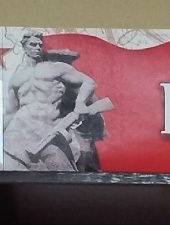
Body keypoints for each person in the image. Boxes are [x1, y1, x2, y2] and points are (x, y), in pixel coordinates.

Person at [4, 30, 104, 172]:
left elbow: (89, 82)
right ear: (24, 47)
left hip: (48, 131)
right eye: (33, 45)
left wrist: (80, 103)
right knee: (11, 175)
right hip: (18, 133)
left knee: (64, 175)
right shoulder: (16, 78)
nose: (37, 48)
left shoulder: (56, 68)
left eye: (40, 45)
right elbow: (10, 112)